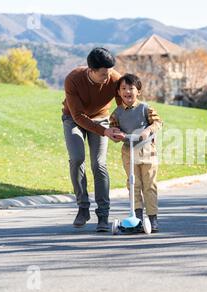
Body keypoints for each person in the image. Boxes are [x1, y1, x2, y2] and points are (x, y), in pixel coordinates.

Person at [62, 47, 123, 232]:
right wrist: (104, 132)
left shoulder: (114, 78)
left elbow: (122, 107)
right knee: (77, 158)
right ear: (91, 70)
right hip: (74, 119)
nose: (108, 77)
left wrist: (119, 128)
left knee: (99, 164)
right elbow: (79, 116)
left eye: (109, 72)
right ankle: (83, 207)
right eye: (103, 74)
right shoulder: (73, 79)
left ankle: (103, 215)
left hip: (101, 119)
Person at [109, 74, 163, 233]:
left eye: (131, 88)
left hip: (147, 151)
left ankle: (152, 218)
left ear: (138, 91)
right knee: (133, 184)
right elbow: (113, 130)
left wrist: (147, 131)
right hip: (129, 151)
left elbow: (158, 122)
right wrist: (117, 135)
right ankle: (137, 217)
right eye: (123, 89)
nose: (127, 92)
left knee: (149, 184)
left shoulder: (145, 108)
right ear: (119, 92)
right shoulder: (117, 113)